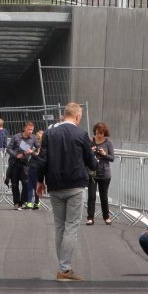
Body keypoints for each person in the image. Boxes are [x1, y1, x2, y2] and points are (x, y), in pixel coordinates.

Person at [41, 102, 96, 282]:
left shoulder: (49, 133)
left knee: (59, 227)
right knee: (71, 227)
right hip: (75, 185)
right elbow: (90, 160)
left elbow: (42, 159)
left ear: (64, 115)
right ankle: (65, 269)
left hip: (55, 186)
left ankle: (63, 267)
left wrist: (39, 182)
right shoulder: (81, 134)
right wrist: (95, 165)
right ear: (78, 117)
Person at [86, 122, 115, 225]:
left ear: (104, 133)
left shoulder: (108, 143)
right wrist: (91, 151)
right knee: (91, 196)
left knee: (104, 196)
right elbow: (85, 156)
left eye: (101, 133)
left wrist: (104, 154)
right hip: (92, 172)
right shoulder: (90, 141)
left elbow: (112, 158)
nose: (98, 135)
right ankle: (90, 218)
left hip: (104, 173)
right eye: (97, 133)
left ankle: (106, 217)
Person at [6, 122, 38, 210]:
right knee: (15, 184)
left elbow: (39, 148)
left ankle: (22, 202)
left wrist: (33, 152)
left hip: (26, 164)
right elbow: (8, 148)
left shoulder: (33, 138)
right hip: (15, 163)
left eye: (32, 130)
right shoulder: (16, 137)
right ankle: (16, 203)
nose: (30, 131)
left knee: (26, 183)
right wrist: (16, 155)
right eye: (29, 129)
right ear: (24, 128)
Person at [25, 129, 45, 210]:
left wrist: (31, 152)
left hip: (34, 167)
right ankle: (36, 202)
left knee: (31, 185)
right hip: (37, 167)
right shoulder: (41, 146)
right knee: (36, 185)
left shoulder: (40, 146)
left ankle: (29, 202)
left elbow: (37, 156)